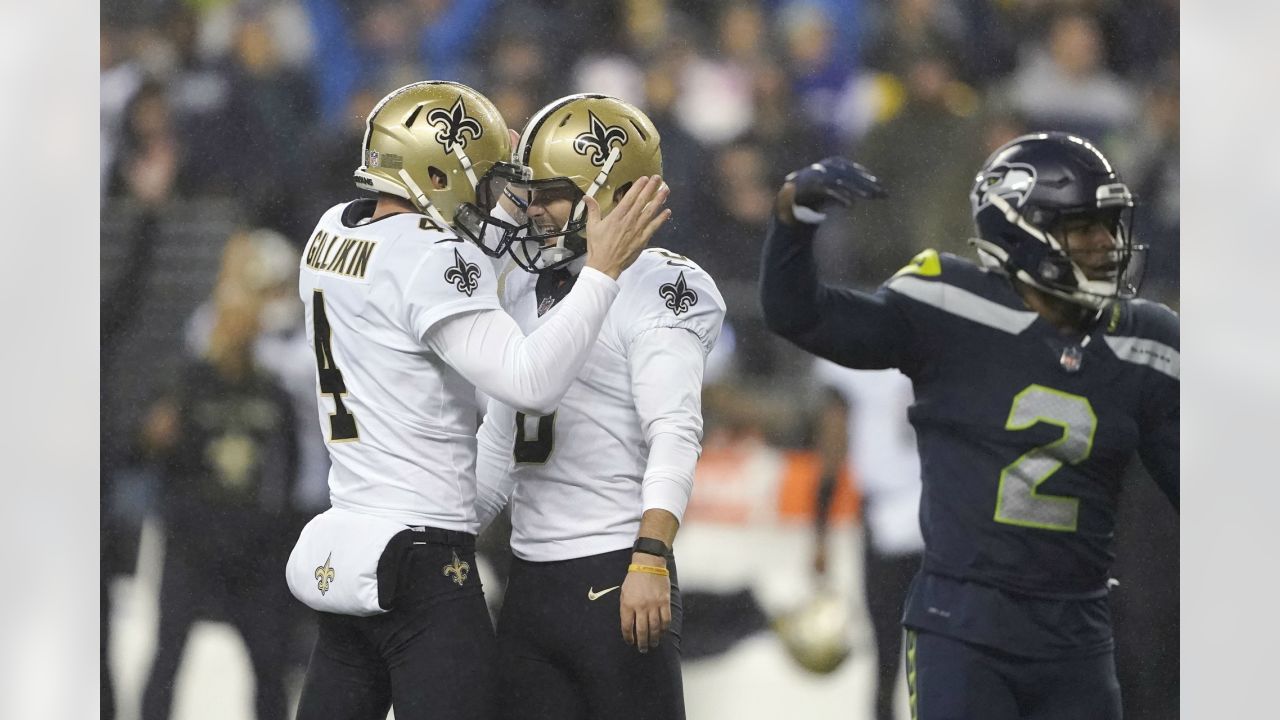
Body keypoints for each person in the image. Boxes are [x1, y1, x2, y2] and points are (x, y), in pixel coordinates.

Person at [759, 132, 1178, 719]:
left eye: (1110, 226)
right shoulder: (948, 304)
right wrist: (793, 220)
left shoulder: (1145, 340)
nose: (1106, 244)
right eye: (1085, 227)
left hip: (1080, 632)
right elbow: (799, 314)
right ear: (1020, 231)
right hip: (964, 629)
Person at [289, 81, 669, 720]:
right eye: (484, 182)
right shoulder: (429, 258)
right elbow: (529, 382)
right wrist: (600, 273)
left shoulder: (329, 232)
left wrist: (493, 215)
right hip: (424, 563)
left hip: (349, 544)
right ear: (437, 172)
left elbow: (429, 278)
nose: (494, 202)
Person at [472, 94, 726, 720]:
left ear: (606, 195)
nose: (533, 211)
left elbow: (675, 430)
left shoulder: (660, 287)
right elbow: (499, 442)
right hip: (528, 576)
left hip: (616, 568)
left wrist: (651, 554)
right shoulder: (522, 281)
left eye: (550, 194)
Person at [138, 291, 299, 720]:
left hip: (254, 544)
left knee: (269, 664)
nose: (237, 334)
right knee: (167, 656)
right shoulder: (185, 384)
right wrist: (154, 440)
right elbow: (150, 451)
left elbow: (291, 466)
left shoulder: (273, 392)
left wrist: (276, 528)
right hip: (192, 539)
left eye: (246, 325)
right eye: (230, 324)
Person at [811, 362, 924, 720]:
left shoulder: (854, 347)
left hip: (886, 514)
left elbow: (832, 445)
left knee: (887, 652)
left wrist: (820, 533)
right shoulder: (932, 330)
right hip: (943, 510)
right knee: (940, 649)